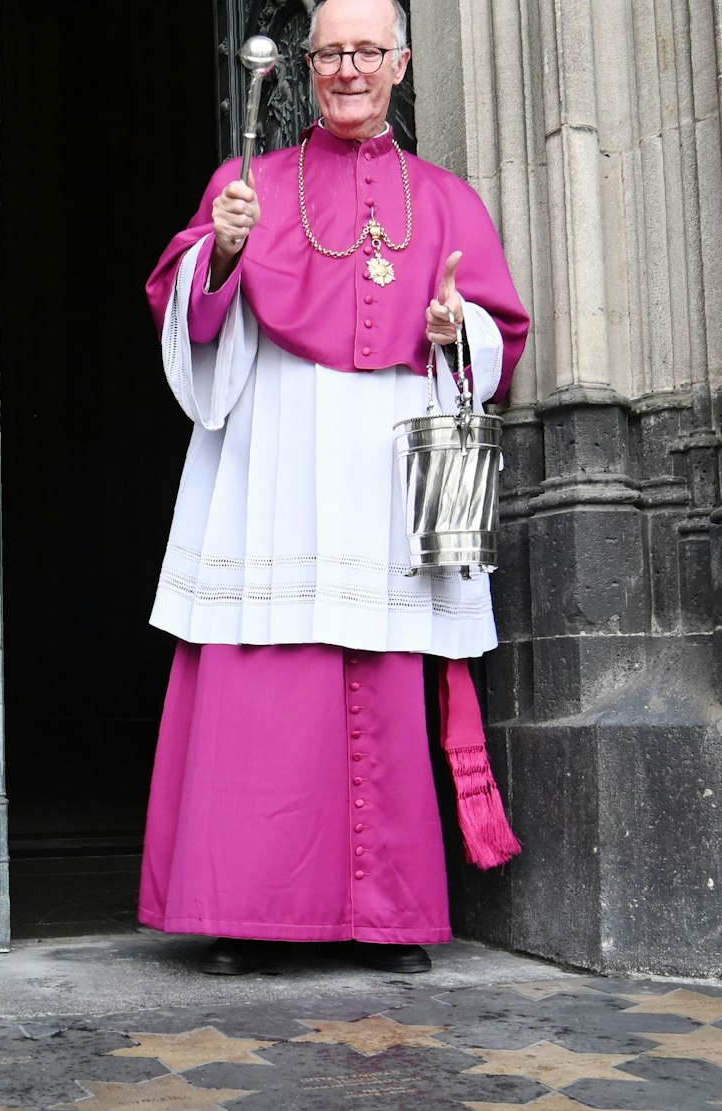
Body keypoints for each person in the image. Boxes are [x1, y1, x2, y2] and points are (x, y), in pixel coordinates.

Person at [141, 0, 530, 977]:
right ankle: (248, 911)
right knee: (263, 681)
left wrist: (453, 332)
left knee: (383, 669)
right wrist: (222, 251)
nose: (347, 69)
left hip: (385, 461)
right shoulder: (249, 183)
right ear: (306, 66)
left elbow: (496, 332)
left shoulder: (445, 199)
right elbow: (185, 307)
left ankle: (384, 917)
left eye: (367, 51)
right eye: (330, 53)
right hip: (275, 454)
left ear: (400, 63)